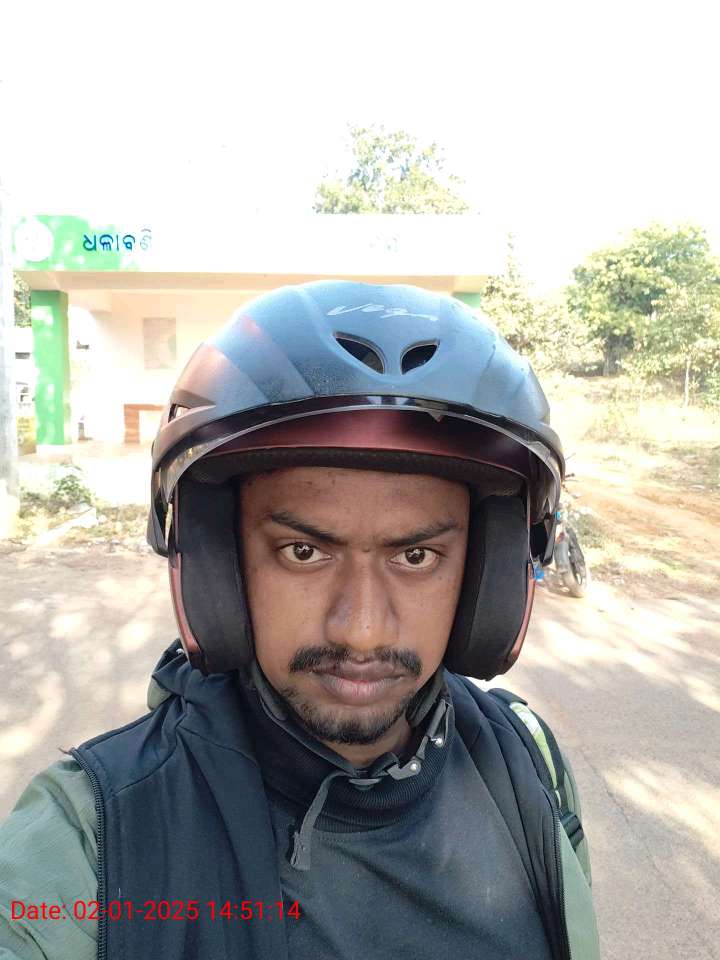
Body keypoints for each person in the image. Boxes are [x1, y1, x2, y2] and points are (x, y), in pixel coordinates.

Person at [0, 280, 600, 959]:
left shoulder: (529, 764)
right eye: (304, 552)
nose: (361, 631)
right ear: (218, 560)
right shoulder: (91, 841)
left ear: (486, 570)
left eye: (416, 555)